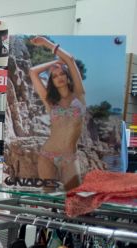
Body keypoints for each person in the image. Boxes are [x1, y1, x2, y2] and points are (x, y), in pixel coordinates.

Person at [29, 36, 85, 191]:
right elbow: (33, 72)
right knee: (48, 200)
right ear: (52, 81)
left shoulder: (79, 95)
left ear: (68, 77)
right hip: (47, 154)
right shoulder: (50, 102)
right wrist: (55, 63)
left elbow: (71, 60)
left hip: (69, 157)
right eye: (54, 76)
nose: (59, 77)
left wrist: (47, 44)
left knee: (74, 200)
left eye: (62, 74)